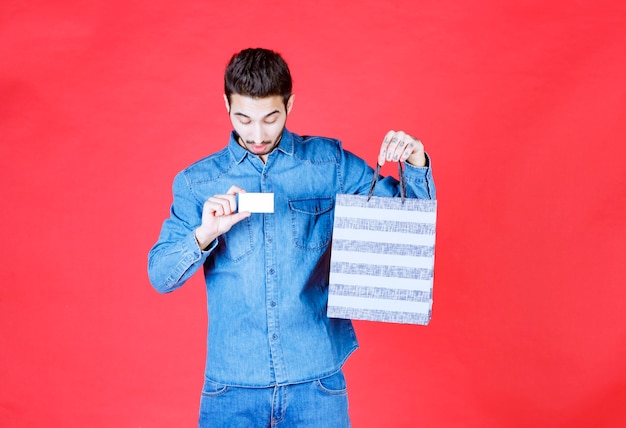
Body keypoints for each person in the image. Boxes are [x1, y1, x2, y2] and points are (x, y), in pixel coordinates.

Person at [147, 47, 436, 428]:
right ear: (226, 105)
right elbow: (160, 275)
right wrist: (204, 234)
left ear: (290, 104)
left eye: (270, 118)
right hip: (232, 388)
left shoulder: (328, 164)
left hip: (316, 383)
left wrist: (416, 162)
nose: (257, 134)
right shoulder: (197, 182)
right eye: (243, 119)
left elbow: (410, 222)